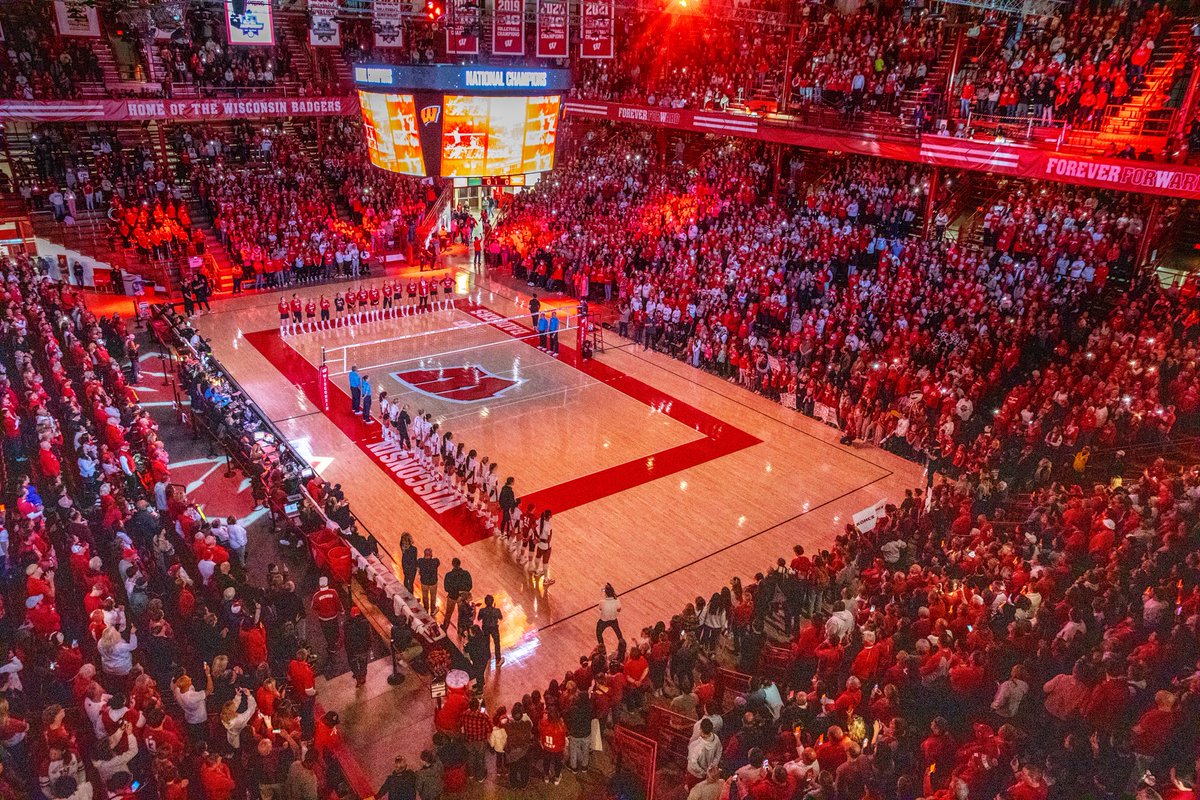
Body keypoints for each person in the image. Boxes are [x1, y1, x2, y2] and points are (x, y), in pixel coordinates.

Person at [311, 576, 342, 655]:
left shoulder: (316, 596)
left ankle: (331, 648)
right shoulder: (333, 592)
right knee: (335, 630)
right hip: (333, 616)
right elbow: (338, 603)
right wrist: (341, 611)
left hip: (323, 619)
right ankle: (336, 642)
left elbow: (313, 607)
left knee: (327, 633)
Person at [345, 606, 372, 686]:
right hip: (363, 648)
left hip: (352, 650)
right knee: (363, 664)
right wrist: (369, 645)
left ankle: (358, 679)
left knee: (353, 665)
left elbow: (345, 637)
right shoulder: (365, 623)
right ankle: (363, 677)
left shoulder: (347, 625)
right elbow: (370, 636)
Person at [479, 594, 503, 666]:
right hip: (494, 628)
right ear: (493, 602)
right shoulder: (497, 610)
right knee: (497, 643)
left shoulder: (482, 610)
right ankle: (498, 658)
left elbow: (479, 618)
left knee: (486, 642)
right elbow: (501, 618)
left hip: (485, 627)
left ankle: (488, 657)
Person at [597, 583, 624, 649]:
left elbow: (600, 609)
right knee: (619, 634)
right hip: (613, 620)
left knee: (599, 633)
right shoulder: (617, 601)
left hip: (603, 621)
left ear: (606, 593)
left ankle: (602, 649)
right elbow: (619, 610)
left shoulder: (602, 602)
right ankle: (623, 647)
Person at [416, 548, 440, 615]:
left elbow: (417, 568)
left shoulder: (420, 561)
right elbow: (437, 563)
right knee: (433, 596)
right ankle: (433, 610)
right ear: (431, 554)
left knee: (425, 596)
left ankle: (426, 609)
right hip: (433, 582)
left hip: (424, 582)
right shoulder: (435, 561)